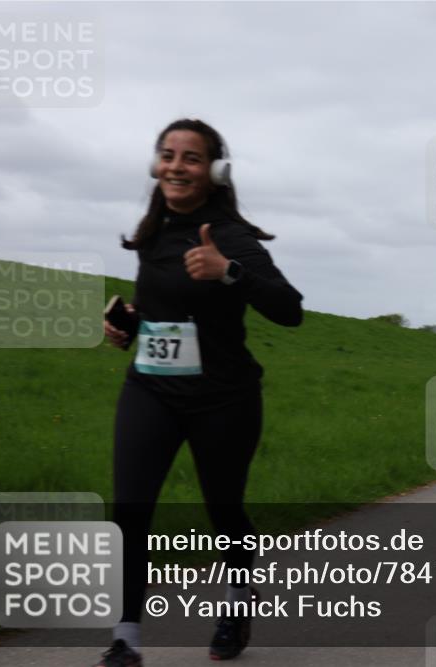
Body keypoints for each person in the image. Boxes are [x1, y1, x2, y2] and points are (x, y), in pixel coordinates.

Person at [99, 119, 304, 666]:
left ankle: (238, 604)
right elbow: (170, 315)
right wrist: (130, 326)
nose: (176, 166)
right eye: (167, 155)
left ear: (213, 172)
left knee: (224, 511)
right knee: (129, 510)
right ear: (155, 164)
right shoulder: (152, 233)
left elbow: (290, 310)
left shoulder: (229, 237)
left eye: (191, 158)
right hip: (152, 391)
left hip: (224, 398)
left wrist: (229, 271)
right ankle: (125, 639)